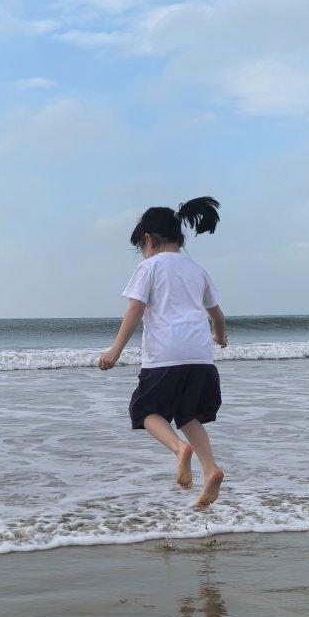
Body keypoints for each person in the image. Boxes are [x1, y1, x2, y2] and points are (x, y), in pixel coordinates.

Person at [98, 197, 227, 510]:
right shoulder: (197, 270)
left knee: (143, 410)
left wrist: (115, 350)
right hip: (200, 357)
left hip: (166, 355)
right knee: (188, 415)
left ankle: (179, 449)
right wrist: (219, 337)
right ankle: (210, 468)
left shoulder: (149, 267)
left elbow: (135, 309)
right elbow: (217, 315)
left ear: (148, 239)